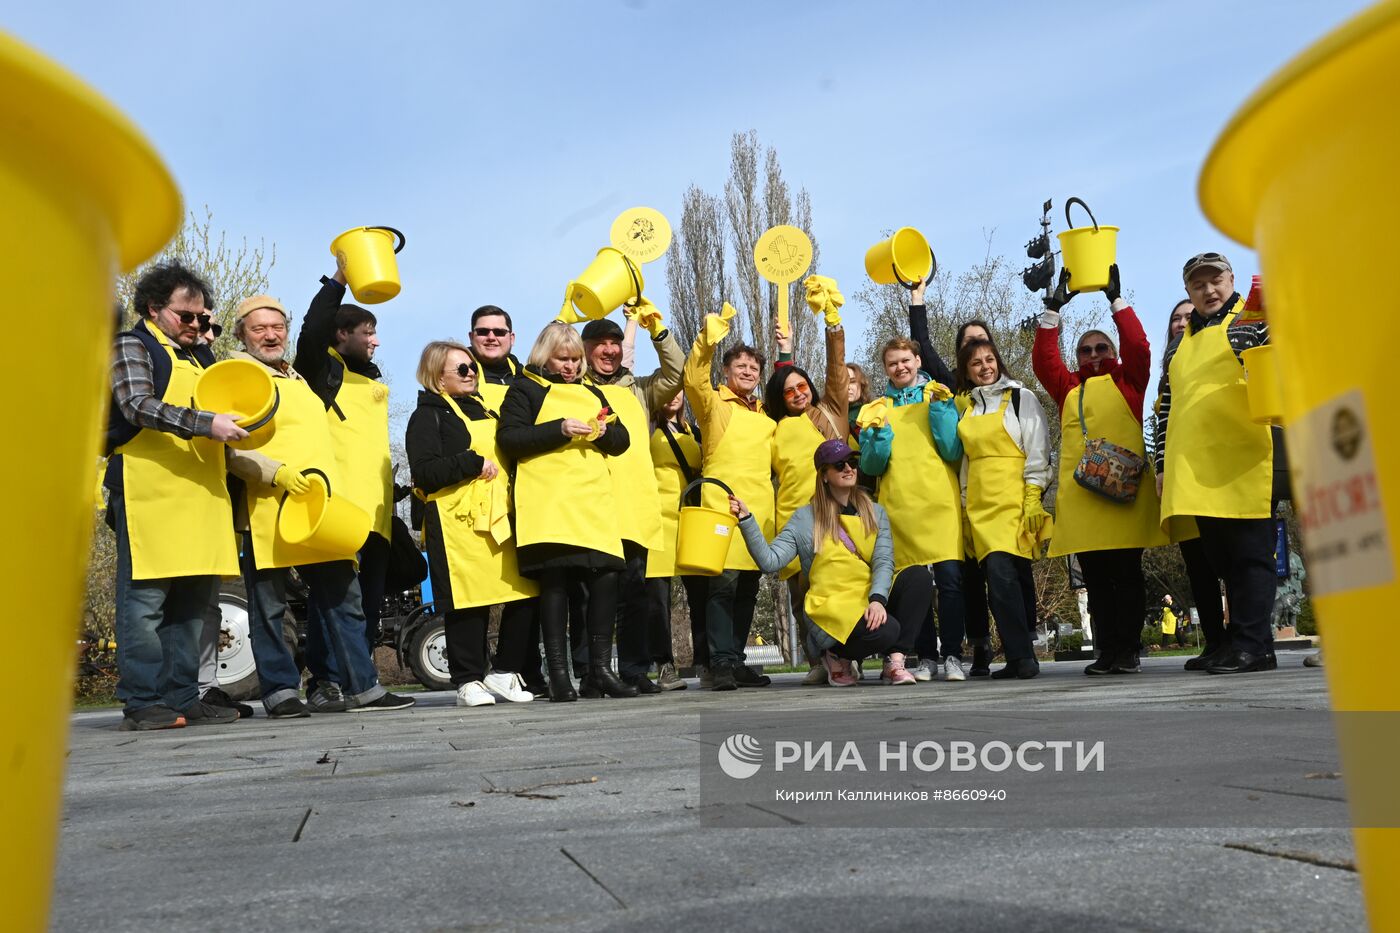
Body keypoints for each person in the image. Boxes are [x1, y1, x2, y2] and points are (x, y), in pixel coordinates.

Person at [225, 295, 415, 715]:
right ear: (241, 333)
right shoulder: (235, 376)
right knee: (270, 605)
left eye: (277, 327)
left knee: (343, 597)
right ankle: (280, 692)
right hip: (268, 504)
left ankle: (362, 687)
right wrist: (275, 473)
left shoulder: (298, 378)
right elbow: (228, 447)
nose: (271, 335)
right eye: (259, 328)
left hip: (318, 506)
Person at [104, 261, 246, 730]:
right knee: (144, 605)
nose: (197, 325)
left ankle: (183, 697)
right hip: (150, 491)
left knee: (191, 607)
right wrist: (208, 423)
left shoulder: (198, 358)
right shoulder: (130, 344)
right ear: (154, 308)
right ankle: (142, 702)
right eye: (187, 316)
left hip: (201, 492)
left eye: (204, 318)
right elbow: (137, 404)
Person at [1033, 265, 1166, 675]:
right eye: (1086, 350)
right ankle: (1106, 652)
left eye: (1101, 348)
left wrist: (1116, 302)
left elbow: (1141, 347)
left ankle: (1127, 651)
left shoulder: (1131, 380)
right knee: (1095, 578)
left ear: (1114, 354)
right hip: (1082, 498)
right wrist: (1052, 311)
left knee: (1126, 576)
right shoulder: (1067, 387)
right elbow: (1043, 360)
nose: (1093, 355)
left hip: (1124, 495)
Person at [498, 323, 636, 700]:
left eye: (576, 359)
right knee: (555, 584)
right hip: (549, 503)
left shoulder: (592, 393)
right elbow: (510, 439)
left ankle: (599, 671)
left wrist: (601, 433)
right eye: (564, 359)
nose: (571, 366)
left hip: (592, 502)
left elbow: (621, 440)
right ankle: (559, 675)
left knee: (607, 576)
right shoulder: (524, 389)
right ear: (545, 356)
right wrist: (558, 428)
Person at [1156, 253, 1278, 674]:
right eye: (1198, 285)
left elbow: (1277, 366)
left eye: (1216, 280)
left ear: (1231, 279)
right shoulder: (1182, 342)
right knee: (1222, 560)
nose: (1209, 290)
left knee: (1249, 556)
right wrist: (1162, 465)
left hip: (1245, 457)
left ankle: (1255, 646)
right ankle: (1242, 641)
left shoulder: (1252, 319)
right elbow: (1166, 407)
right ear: (1188, 292)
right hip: (1197, 467)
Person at [730, 440, 933, 686]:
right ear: (824, 475)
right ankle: (836, 654)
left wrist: (877, 600)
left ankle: (895, 660)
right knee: (887, 630)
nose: (849, 468)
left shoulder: (875, 511)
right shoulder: (805, 518)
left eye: (853, 462)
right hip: (831, 606)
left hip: (866, 596)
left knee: (919, 578)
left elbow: (883, 561)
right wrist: (747, 520)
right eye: (839, 465)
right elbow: (770, 561)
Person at [407, 340, 538, 707]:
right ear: (438, 377)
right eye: (462, 369)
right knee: (467, 601)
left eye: (472, 368)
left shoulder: (486, 409)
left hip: (503, 516)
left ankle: (503, 672)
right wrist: (470, 462)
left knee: (525, 593)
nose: (471, 374)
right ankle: (467, 680)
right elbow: (425, 472)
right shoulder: (427, 416)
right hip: (458, 523)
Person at [579, 302, 684, 694]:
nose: (609, 350)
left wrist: (657, 329)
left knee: (635, 594)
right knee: (591, 596)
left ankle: (635, 670)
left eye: (615, 343)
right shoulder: (574, 387)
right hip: (592, 504)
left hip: (636, 504)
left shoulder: (639, 389)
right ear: (585, 349)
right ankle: (592, 672)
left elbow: (676, 372)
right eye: (600, 344)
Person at [294, 265, 395, 671]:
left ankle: (360, 682)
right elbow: (312, 328)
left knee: (369, 605)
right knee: (333, 602)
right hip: (338, 509)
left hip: (378, 514)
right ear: (341, 334)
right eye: (367, 332)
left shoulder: (371, 379)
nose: (375, 341)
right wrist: (338, 279)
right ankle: (325, 683)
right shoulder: (321, 370)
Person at [854, 335, 965, 685]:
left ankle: (952, 656)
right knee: (915, 586)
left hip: (939, 502)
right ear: (885, 369)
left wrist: (940, 412)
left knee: (949, 581)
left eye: (905, 360)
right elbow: (871, 467)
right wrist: (878, 436)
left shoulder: (939, 396)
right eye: (892, 363)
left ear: (918, 361)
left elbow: (951, 450)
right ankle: (925, 657)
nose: (900, 367)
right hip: (898, 505)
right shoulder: (877, 408)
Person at [683, 303, 776, 691]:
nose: (748, 371)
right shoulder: (714, 406)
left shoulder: (768, 415)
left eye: (754, 368)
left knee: (749, 587)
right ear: (725, 370)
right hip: (720, 507)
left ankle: (736, 660)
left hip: (759, 510)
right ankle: (719, 662)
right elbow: (692, 380)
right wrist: (707, 339)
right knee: (722, 586)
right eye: (740, 365)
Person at [907, 283, 997, 676]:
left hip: (1004, 496)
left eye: (982, 342)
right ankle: (975, 648)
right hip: (963, 496)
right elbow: (923, 345)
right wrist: (917, 297)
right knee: (968, 579)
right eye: (968, 343)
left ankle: (1019, 645)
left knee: (1007, 574)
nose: (976, 349)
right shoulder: (953, 386)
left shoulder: (1013, 393)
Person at [765, 275, 849, 685]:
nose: (798, 392)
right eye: (789, 390)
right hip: (793, 520)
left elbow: (836, 367)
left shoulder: (830, 410)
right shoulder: (775, 426)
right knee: (801, 594)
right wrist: (783, 350)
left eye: (803, 386)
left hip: (834, 513)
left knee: (835, 586)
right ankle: (818, 660)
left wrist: (832, 322)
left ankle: (844, 656)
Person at [952, 337, 1052, 679]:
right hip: (980, 506)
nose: (985, 367)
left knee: (1003, 575)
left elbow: (1038, 449)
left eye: (990, 359)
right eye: (976, 362)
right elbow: (966, 463)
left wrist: (1033, 496)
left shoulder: (1021, 399)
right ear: (966, 370)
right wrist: (965, 509)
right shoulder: (966, 409)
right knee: (1004, 578)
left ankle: (1022, 657)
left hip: (1015, 500)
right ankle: (1020, 653)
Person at [465, 304, 545, 694]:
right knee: (475, 591)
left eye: (499, 331)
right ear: (471, 338)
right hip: (477, 499)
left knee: (528, 589)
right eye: (483, 331)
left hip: (528, 495)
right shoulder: (459, 376)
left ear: (513, 338)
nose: (491, 337)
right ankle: (473, 677)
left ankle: (520, 671)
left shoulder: (531, 379)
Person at [1157, 298, 1230, 671]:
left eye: (1189, 317)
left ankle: (1241, 639)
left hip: (1218, 474)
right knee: (1197, 564)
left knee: (1227, 560)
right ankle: (1215, 642)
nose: (1182, 323)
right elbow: (1161, 422)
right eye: (1176, 318)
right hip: (1181, 476)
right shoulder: (1167, 370)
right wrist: (1160, 468)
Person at [645, 390, 708, 688]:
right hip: (656, 519)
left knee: (700, 594)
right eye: (666, 390)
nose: (673, 396)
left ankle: (705, 662)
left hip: (690, 520)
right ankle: (663, 664)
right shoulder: (647, 428)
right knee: (657, 598)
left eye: (678, 390)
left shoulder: (692, 431)